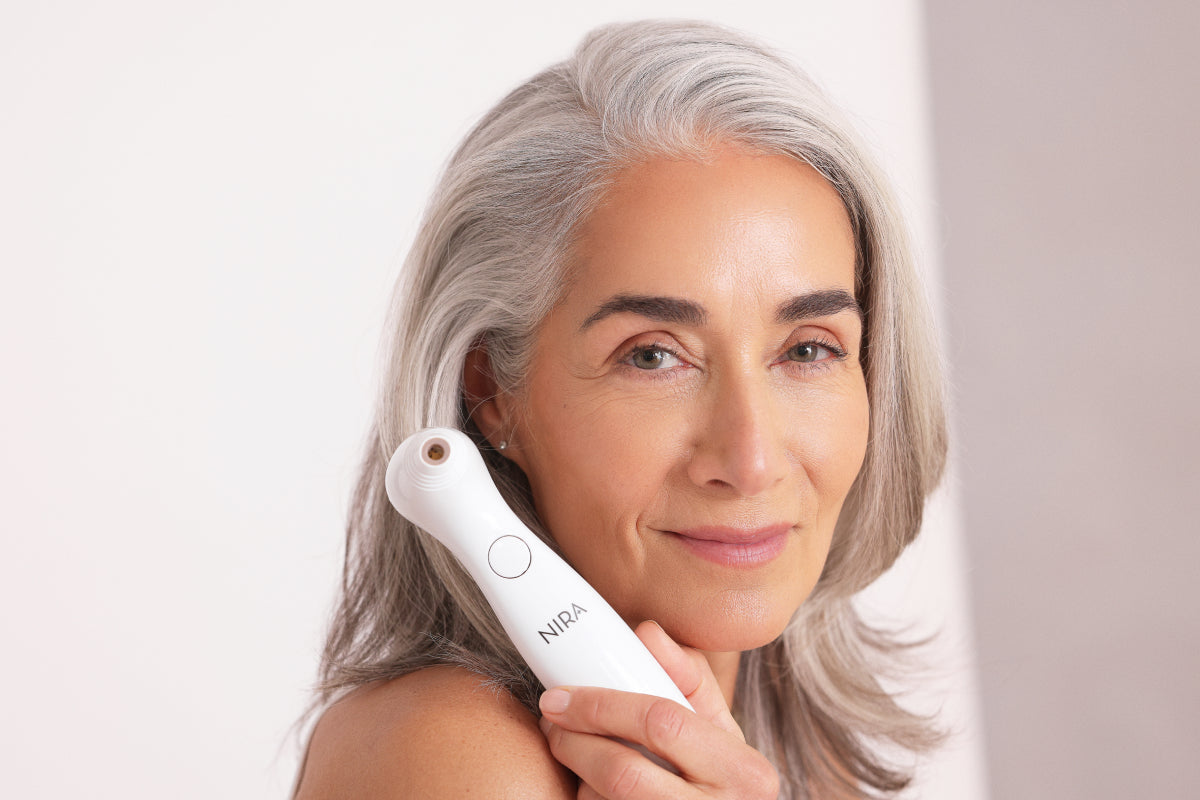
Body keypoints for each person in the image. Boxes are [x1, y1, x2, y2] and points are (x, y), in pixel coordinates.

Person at [294, 19, 947, 800]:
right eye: (653, 355)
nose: (752, 460)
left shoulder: (800, 752)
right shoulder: (456, 758)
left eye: (807, 349)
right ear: (493, 394)